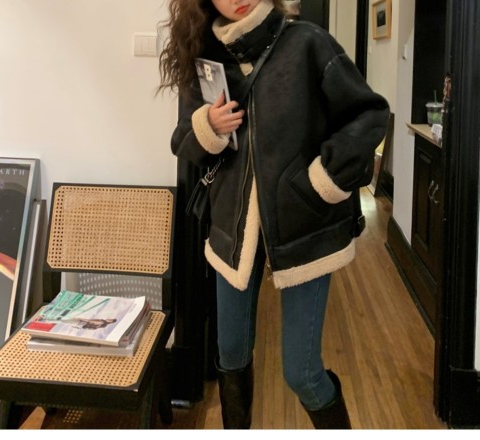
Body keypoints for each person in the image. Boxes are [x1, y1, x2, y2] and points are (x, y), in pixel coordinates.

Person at [158, 0, 389, 429]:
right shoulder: (207, 59)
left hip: (305, 225)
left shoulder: (307, 43)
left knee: (302, 373)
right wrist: (209, 125)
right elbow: (182, 140)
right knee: (230, 356)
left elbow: (369, 115)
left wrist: (327, 178)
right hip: (232, 231)